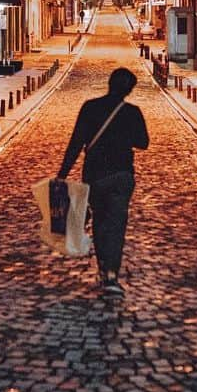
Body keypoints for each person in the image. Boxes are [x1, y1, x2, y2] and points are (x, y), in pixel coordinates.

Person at [56, 67, 149, 295]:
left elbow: (76, 143)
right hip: (122, 176)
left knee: (99, 222)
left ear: (109, 84)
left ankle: (102, 266)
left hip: (95, 176)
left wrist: (62, 174)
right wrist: (124, 135)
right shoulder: (132, 112)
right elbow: (143, 142)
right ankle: (111, 274)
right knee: (116, 225)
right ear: (129, 90)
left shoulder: (90, 108)